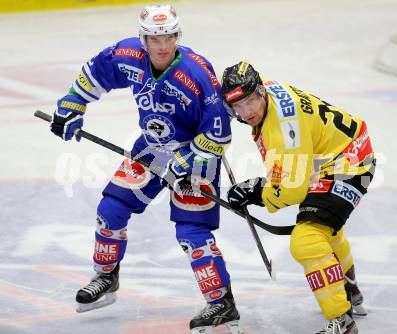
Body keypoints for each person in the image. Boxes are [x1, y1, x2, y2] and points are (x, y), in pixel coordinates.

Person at [50, 5, 242, 334]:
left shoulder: (196, 72)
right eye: (155, 38)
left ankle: (221, 302)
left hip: (196, 156)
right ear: (144, 39)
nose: (162, 45)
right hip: (152, 148)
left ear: (177, 36)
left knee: (191, 233)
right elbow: (96, 71)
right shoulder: (128, 55)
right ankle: (106, 276)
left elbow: (219, 131)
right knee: (110, 209)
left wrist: (192, 161)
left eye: (168, 36)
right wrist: (73, 102)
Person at [221, 61, 376, 334]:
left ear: (260, 91)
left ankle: (343, 322)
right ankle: (351, 293)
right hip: (332, 156)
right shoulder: (266, 93)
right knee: (322, 226)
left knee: (306, 241)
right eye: (239, 106)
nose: (247, 112)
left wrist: (258, 192)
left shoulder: (283, 127)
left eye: (251, 102)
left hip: (349, 163)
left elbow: (292, 189)